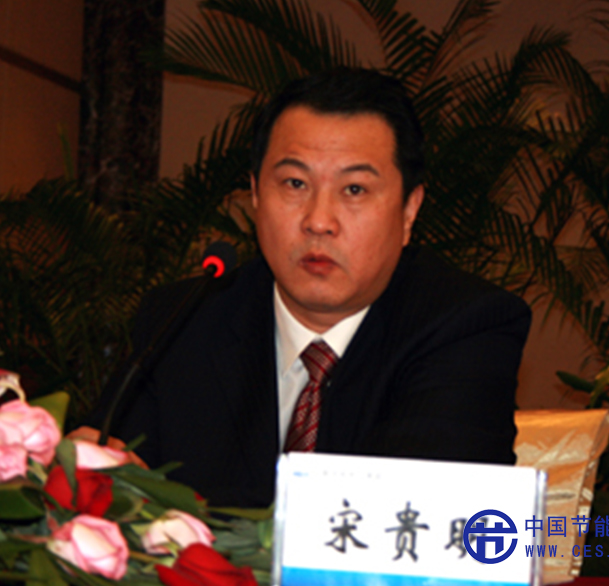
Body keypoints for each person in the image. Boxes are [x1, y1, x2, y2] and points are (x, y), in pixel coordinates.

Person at [94, 68, 531, 508]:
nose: (319, 221)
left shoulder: (467, 325)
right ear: (255, 194)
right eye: (295, 184)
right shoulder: (180, 322)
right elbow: (107, 487)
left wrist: (175, 507)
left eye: (354, 189)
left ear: (409, 210)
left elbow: (405, 513)